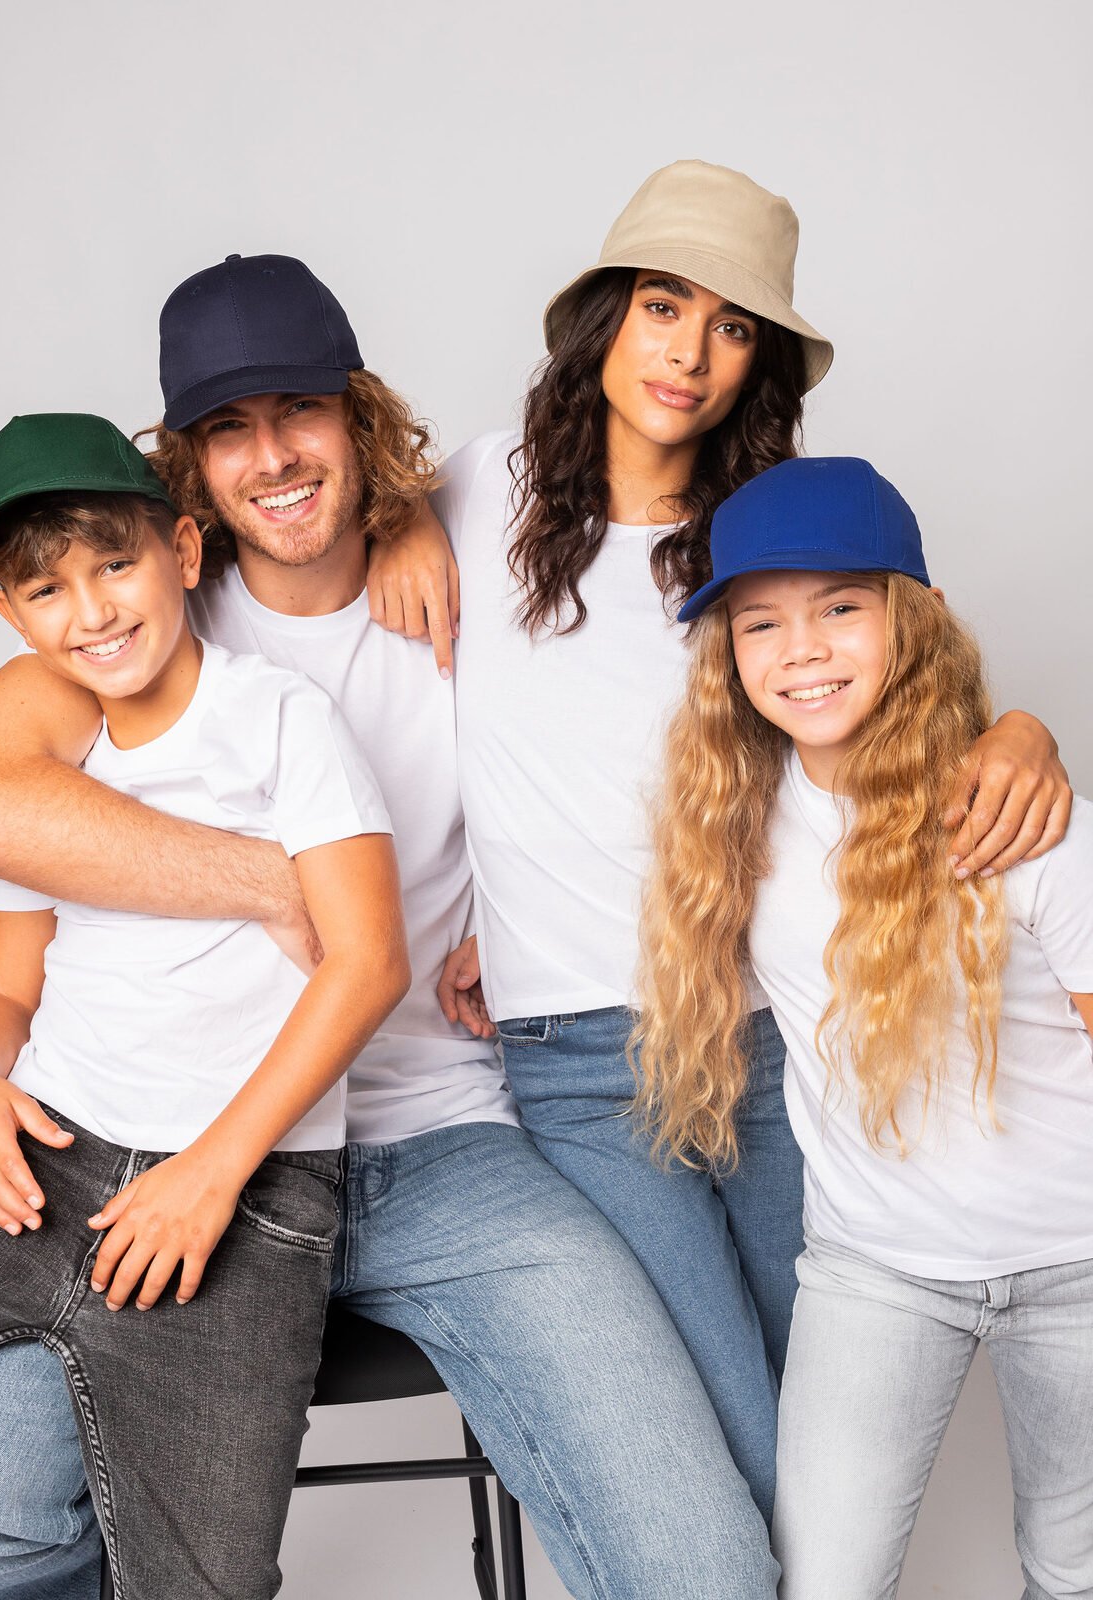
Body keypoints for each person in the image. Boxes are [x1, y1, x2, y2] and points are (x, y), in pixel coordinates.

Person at [0, 257, 779, 1598]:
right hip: (177, 1159)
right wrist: (272, 884)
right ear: (186, 478)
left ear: (359, 416)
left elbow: (743, 672)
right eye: (227, 429)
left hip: (444, 1148)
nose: (272, 457)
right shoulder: (130, 628)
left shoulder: (484, 579)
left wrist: (1001, 734)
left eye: (302, 411)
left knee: (703, 1566)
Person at [366, 158, 1073, 1513]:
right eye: (662, 306)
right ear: (605, 319)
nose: (689, 353)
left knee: (824, 1454)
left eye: (732, 326)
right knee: (724, 1444)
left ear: (763, 364)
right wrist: (397, 528)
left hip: (775, 1034)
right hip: (579, 1056)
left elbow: (907, 696)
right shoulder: (473, 493)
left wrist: (1024, 731)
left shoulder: (770, 532)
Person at [0, 411, 409, 1600]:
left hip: (242, 1188)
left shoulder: (276, 716)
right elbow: (1, 987)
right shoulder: (48, 770)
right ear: (10, 616)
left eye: (115, 566)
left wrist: (214, 1172)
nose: (92, 612)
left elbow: (369, 961)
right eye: (48, 590)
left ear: (182, 550)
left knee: (203, 1577)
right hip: (48, 1150)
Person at [635, 455, 1093, 1599]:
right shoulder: (730, 832)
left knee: (1073, 1572)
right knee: (825, 1583)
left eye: (841, 608)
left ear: (916, 618)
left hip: (1081, 1264)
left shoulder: (1027, 821)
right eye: (760, 623)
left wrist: (1023, 731)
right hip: (876, 1271)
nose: (801, 649)